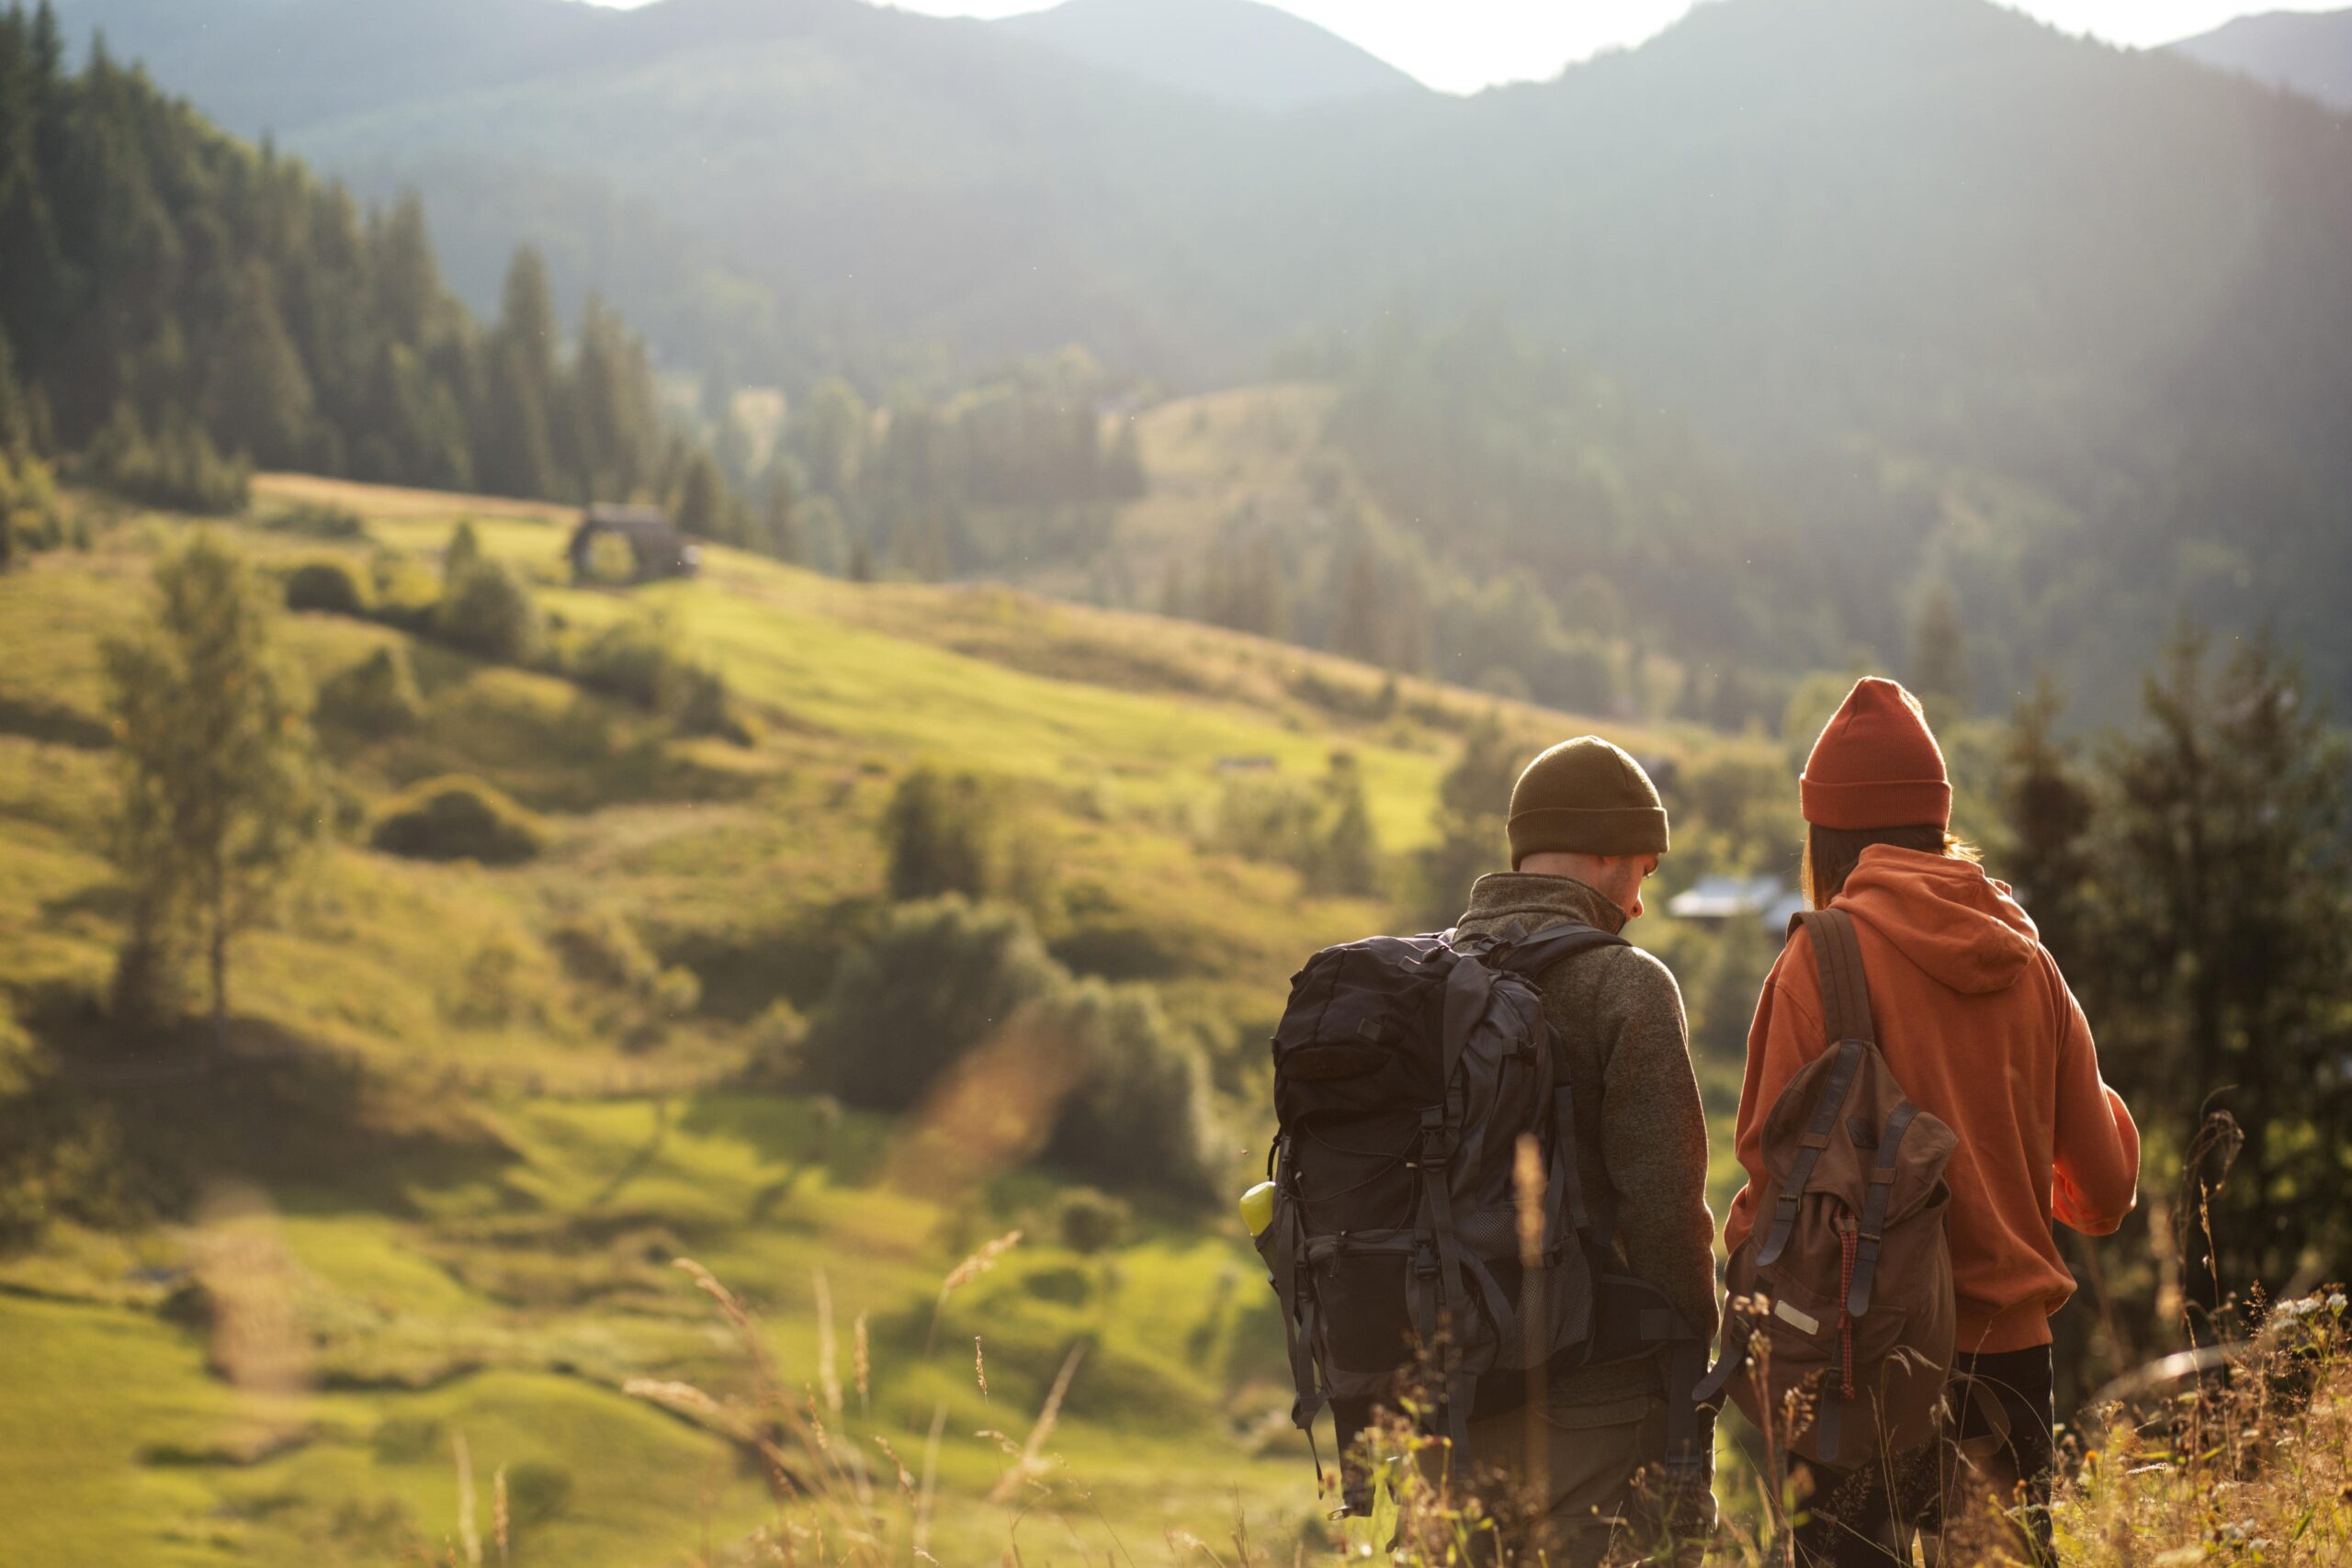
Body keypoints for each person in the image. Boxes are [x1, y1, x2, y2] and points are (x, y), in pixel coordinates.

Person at [1724, 678, 2140, 1565]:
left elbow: (1770, 1186)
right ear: (1937, 821)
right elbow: (2105, 1192)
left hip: (1857, 1360)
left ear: (1823, 834)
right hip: (2010, 1363)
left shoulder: (1818, 959)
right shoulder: (2030, 962)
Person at [1449, 735, 1718, 1565]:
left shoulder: (1433, 977)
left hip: (1446, 1406)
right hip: (1594, 1405)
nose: (1638, 902)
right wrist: (1695, 1374)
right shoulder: (1627, 984)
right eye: (1641, 869)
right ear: (1602, 852)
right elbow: (1666, 1208)